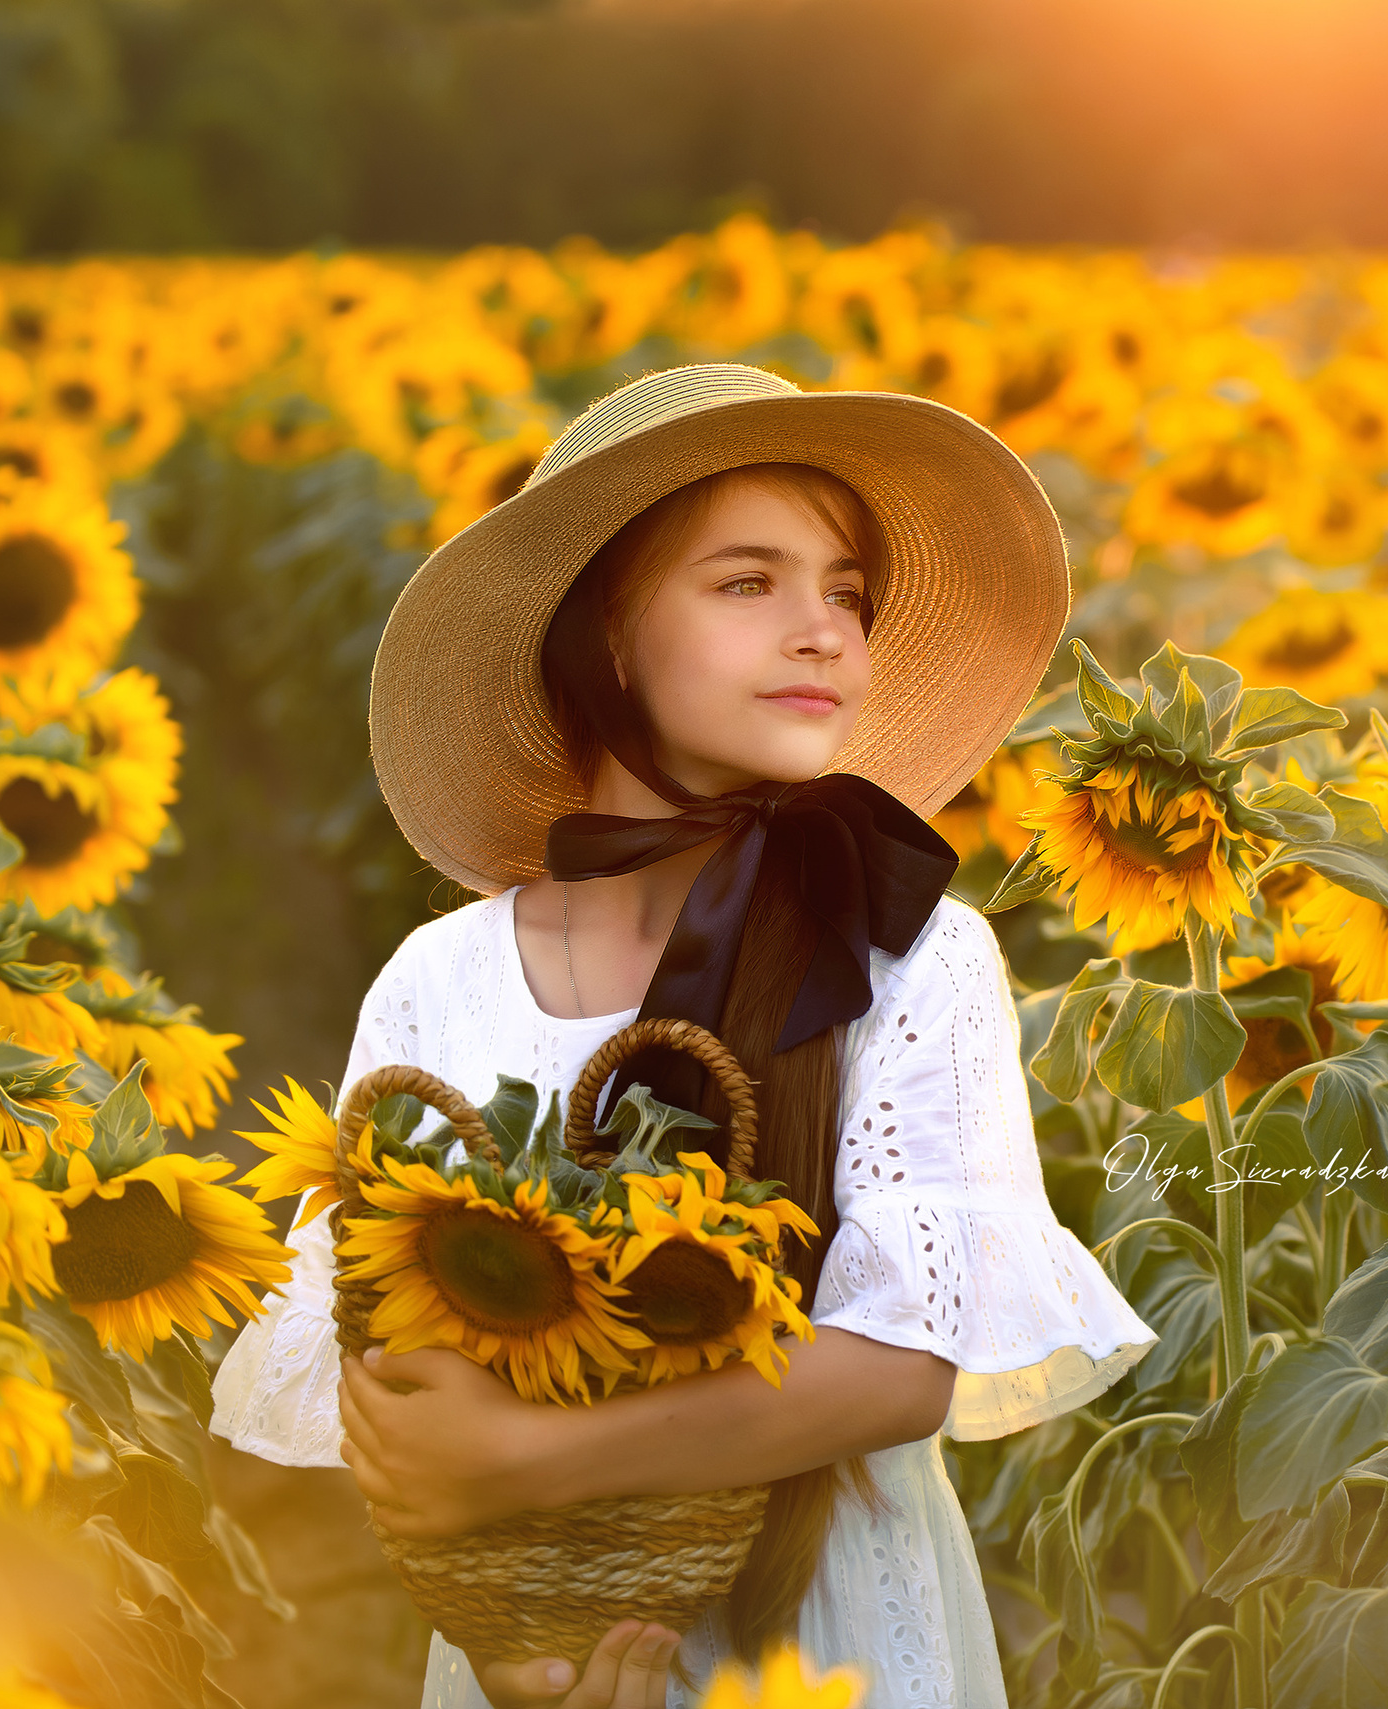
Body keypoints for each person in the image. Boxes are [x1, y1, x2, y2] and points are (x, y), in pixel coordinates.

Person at [209, 363, 1157, 1709]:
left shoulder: (910, 952)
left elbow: (901, 1367)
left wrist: (525, 1464)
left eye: (847, 593)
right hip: (530, 1638)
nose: (822, 631)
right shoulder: (441, 981)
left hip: (834, 1642)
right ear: (607, 636)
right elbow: (389, 1367)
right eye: (748, 582)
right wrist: (512, 1652)